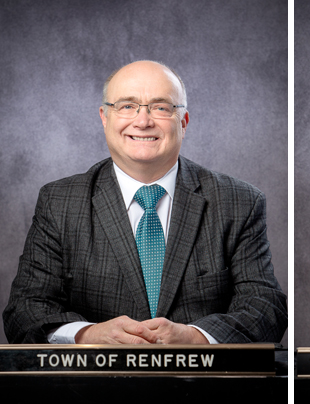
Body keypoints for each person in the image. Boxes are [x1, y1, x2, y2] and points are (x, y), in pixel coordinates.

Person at [3, 60, 287, 345]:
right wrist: (87, 334)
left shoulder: (238, 201)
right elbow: (24, 313)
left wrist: (195, 337)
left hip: (205, 385)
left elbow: (266, 310)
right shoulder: (60, 202)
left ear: (183, 122)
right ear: (105, 118)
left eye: (161, 107)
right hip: (93, 386)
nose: (143, 121)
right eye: (127, 106)